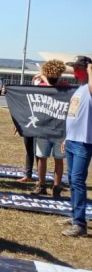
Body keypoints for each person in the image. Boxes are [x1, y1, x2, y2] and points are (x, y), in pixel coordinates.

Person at [61, 56, 92, 237]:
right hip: (73, 140)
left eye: (78, 68)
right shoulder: (80, 89)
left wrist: (90, 69)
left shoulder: (89, 88)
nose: (74, 71)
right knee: (72, 180)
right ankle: (74, 215)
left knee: (78, 181)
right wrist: (67, 137)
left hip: (84, 142)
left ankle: (80, 223)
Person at [29, 59, 67, 197]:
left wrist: (43, 75)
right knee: (41, 157)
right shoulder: (42, 86)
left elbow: (53, 87)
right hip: (43, 129)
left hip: (59, 130)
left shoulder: (65, 87)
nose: (53, 77)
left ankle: (56, 187)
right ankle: (41, 185)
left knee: (58, 159)